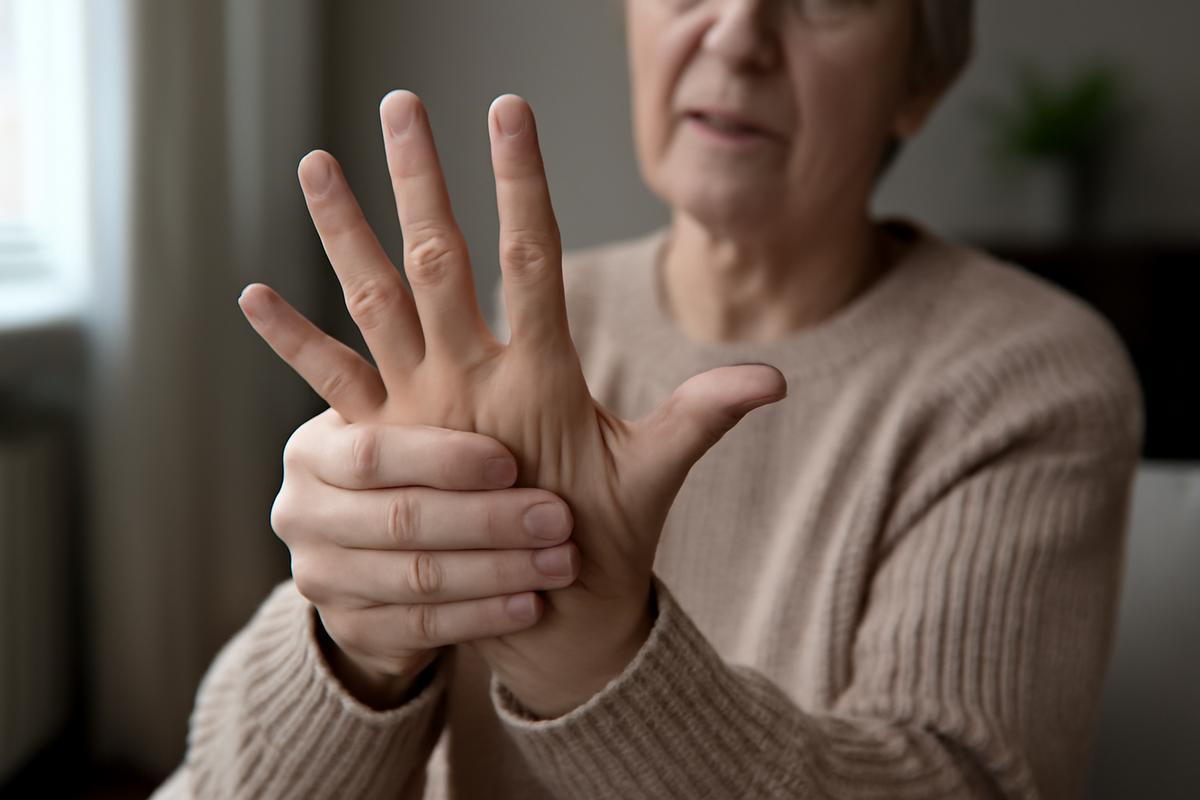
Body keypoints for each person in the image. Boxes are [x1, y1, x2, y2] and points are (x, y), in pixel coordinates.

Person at [155, 1, 1142, 797]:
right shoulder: (535, 329)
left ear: (920, 79)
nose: (738, 33)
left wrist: (601, 662)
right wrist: (354, 640)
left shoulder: (1025, 375)